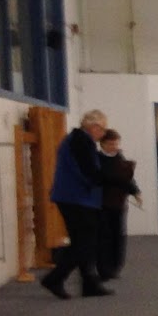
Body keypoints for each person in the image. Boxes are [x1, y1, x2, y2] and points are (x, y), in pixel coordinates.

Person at [42, 109, 116, 298]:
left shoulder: (78, 140)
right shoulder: (81, 141)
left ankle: (89, 283)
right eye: (102, 129)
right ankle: (54, 278)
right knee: (84, 243)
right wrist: (110, 179)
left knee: (83, 242)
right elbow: (88, 172)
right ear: (94, 127)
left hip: (75, 197)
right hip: (76, 198)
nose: (103, 134)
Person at [96, 130, 142, 281]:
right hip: (101, 203)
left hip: (119, 202)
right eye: (110, 144)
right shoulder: (96, 159)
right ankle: (104, 269)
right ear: (102, 144)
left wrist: (136, 192)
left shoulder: (120, 159)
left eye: (116, 143)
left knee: (119, 235)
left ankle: (116, 267)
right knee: (104, 236)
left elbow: (128, 179)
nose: (114, 146)